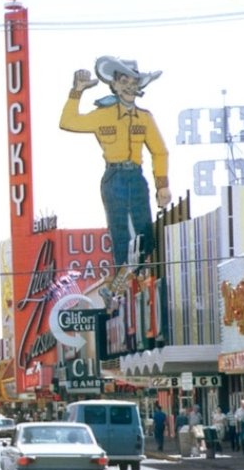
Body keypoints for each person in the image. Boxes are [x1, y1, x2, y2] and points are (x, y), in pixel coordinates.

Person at [59, 56, 171, 295]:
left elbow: (160, 151)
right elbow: (68, 122)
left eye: (135, 81)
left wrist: (162, 185)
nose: (130, 86)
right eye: (125, 81)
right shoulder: (103, 114)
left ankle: (137, 276)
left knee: (144, 232)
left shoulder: (145, 118)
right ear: (115, 85)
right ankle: (122, 284)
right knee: (120, 232)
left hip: (137, 176)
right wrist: (77, 91)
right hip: (114, 177)